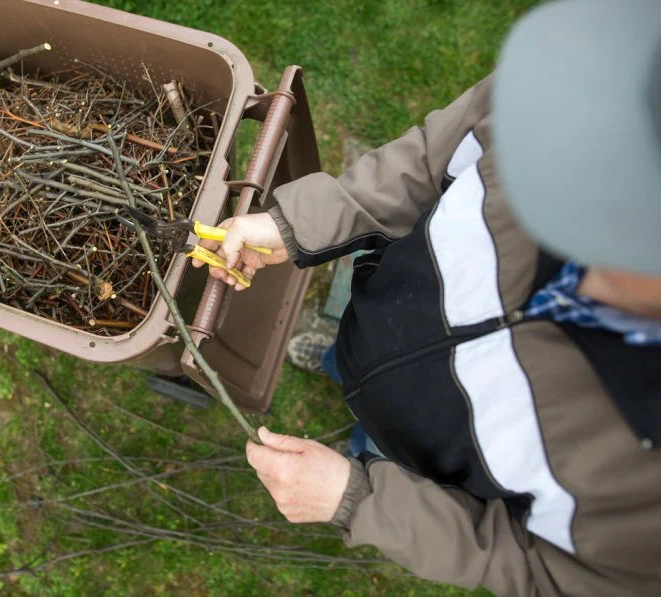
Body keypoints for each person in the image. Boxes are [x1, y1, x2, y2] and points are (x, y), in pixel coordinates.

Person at [191, 0, 661, 594]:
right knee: (353, 355)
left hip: (438, 455)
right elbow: (440, 154)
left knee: (384, 451)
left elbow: (542, 572)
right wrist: (297, 227)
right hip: (388, 309)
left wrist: (358, 500)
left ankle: (371, 445)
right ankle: (342, 361)